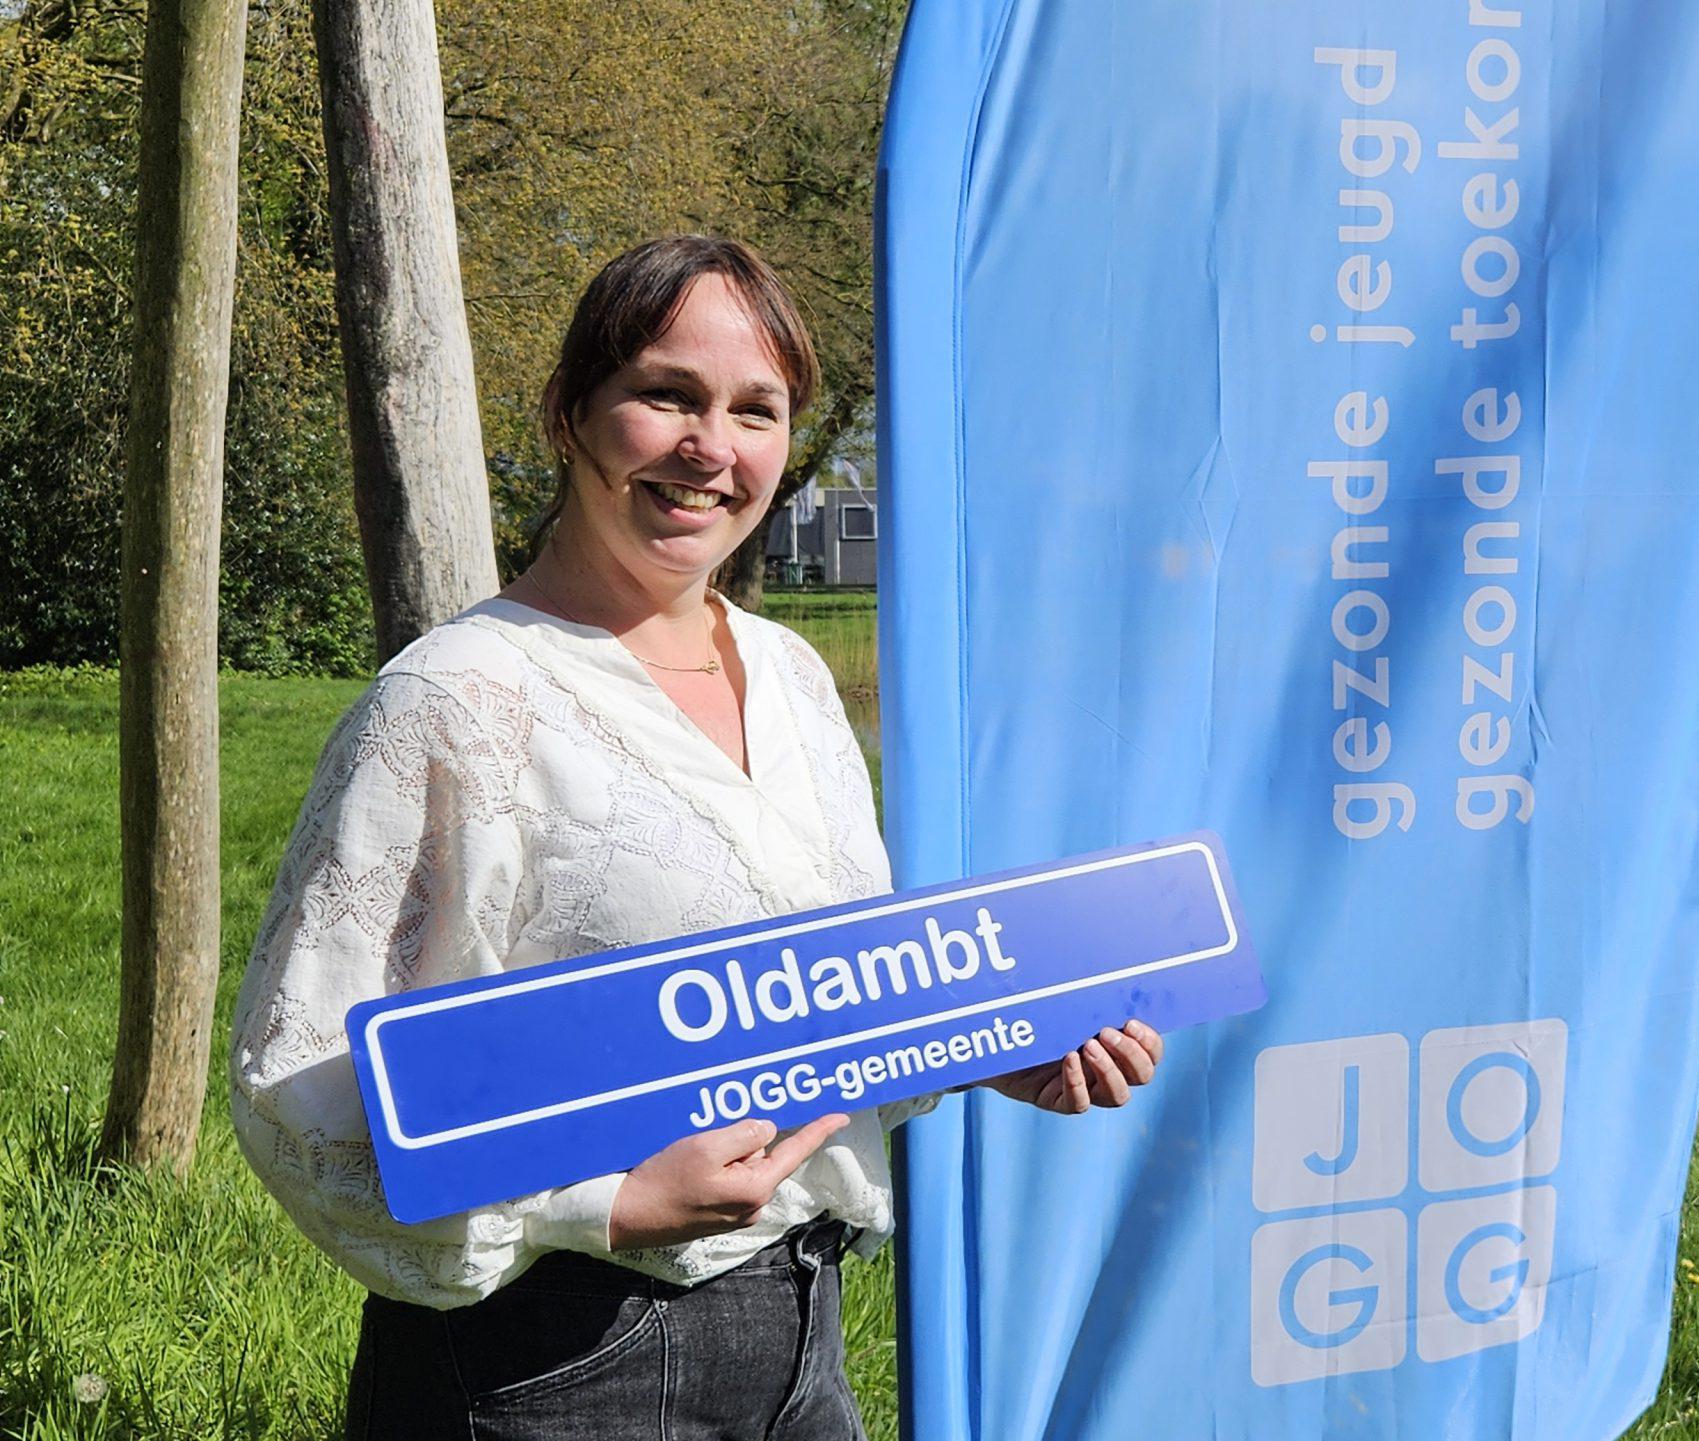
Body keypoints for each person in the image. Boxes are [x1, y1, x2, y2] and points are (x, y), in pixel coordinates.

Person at [229, 233, 1164, 1440]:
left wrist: (979, 1048)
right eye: (668, 394)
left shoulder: (789, 674)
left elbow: (805, 1003)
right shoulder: (456, 701)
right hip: (553, 1362)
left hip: (803, 1339)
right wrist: (604, 1205)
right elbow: (299, 1094)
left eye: (754, 410)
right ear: (569, 414)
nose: (711, 447)